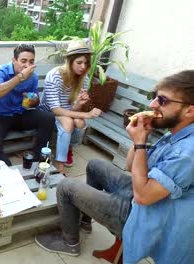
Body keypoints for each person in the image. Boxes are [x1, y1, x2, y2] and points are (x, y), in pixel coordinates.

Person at [35, 70, 194, 263]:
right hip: (145, 192)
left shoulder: (187, 153)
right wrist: (139, 138)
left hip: (147, 214)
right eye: (154, 97)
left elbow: (143, 197)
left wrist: (140, 144)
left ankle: (69, 242)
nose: (152, 105)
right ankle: (84, 222)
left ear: (190, 110)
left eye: (162, 100)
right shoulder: (178, 132)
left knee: (66, 187)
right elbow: (130, 166)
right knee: (94, 165)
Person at [0, 43, 55, 165]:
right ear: (14, 60)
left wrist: (33, 101)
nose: (27, 65)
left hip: (20, 114)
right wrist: (20, 77)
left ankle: (35, 159)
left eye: (31, 61)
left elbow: (33, 103)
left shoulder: (32, 77)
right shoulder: (1, 71)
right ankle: (8, 171)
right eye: (23, 61)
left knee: (48, 118)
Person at [39, 40, 102, 173]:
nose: (83, 67)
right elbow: (55, 110)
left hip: (67, 112)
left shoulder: (83, 78)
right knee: (69, 122)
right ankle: (60, 164)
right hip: (48, 113)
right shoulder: (54, 76)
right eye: (79, 63)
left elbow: (72, 110)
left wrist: (79, 104)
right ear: (69, 61)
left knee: (79, 122)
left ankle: (68, 149)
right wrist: (87, 114)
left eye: (86, 63)